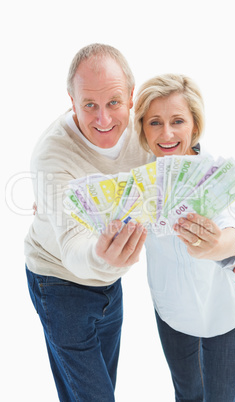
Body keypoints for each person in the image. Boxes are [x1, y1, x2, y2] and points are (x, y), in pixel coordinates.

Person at [24, 43, 150, 402]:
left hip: (110, 283)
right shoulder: (52, 155)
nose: (103, 120)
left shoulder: (143, 130)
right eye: (89, 106)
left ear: (130, 96)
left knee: (96, 391)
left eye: (113, 103)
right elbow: (73, 245)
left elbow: (178, 154)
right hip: (58, 281)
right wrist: (102, 257)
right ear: (71, 100)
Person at [134, 73, 235, 401]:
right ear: (143, 128)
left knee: (222, 397)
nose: (167, 133)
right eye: (155, 122)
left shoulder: (214, 176)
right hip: (172, 313)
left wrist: (218, 245)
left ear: (194, 126)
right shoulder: (137, 181)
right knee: (187, 396)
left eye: (177, 121)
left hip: (225, 310)